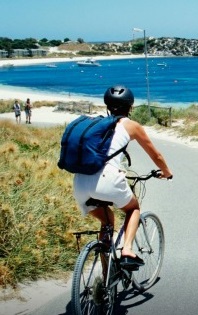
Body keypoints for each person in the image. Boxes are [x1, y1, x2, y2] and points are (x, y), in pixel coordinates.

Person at [72, 85, 173, 266]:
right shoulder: (131, 125)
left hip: (80, 183)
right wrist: (167, 172)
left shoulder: (98, 125)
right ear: (130, 107)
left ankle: (104, 278)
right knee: (133, 208)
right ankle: (127, 250)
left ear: (108, 107)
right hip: (107, 181)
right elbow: (156, 156)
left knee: (108, 221)